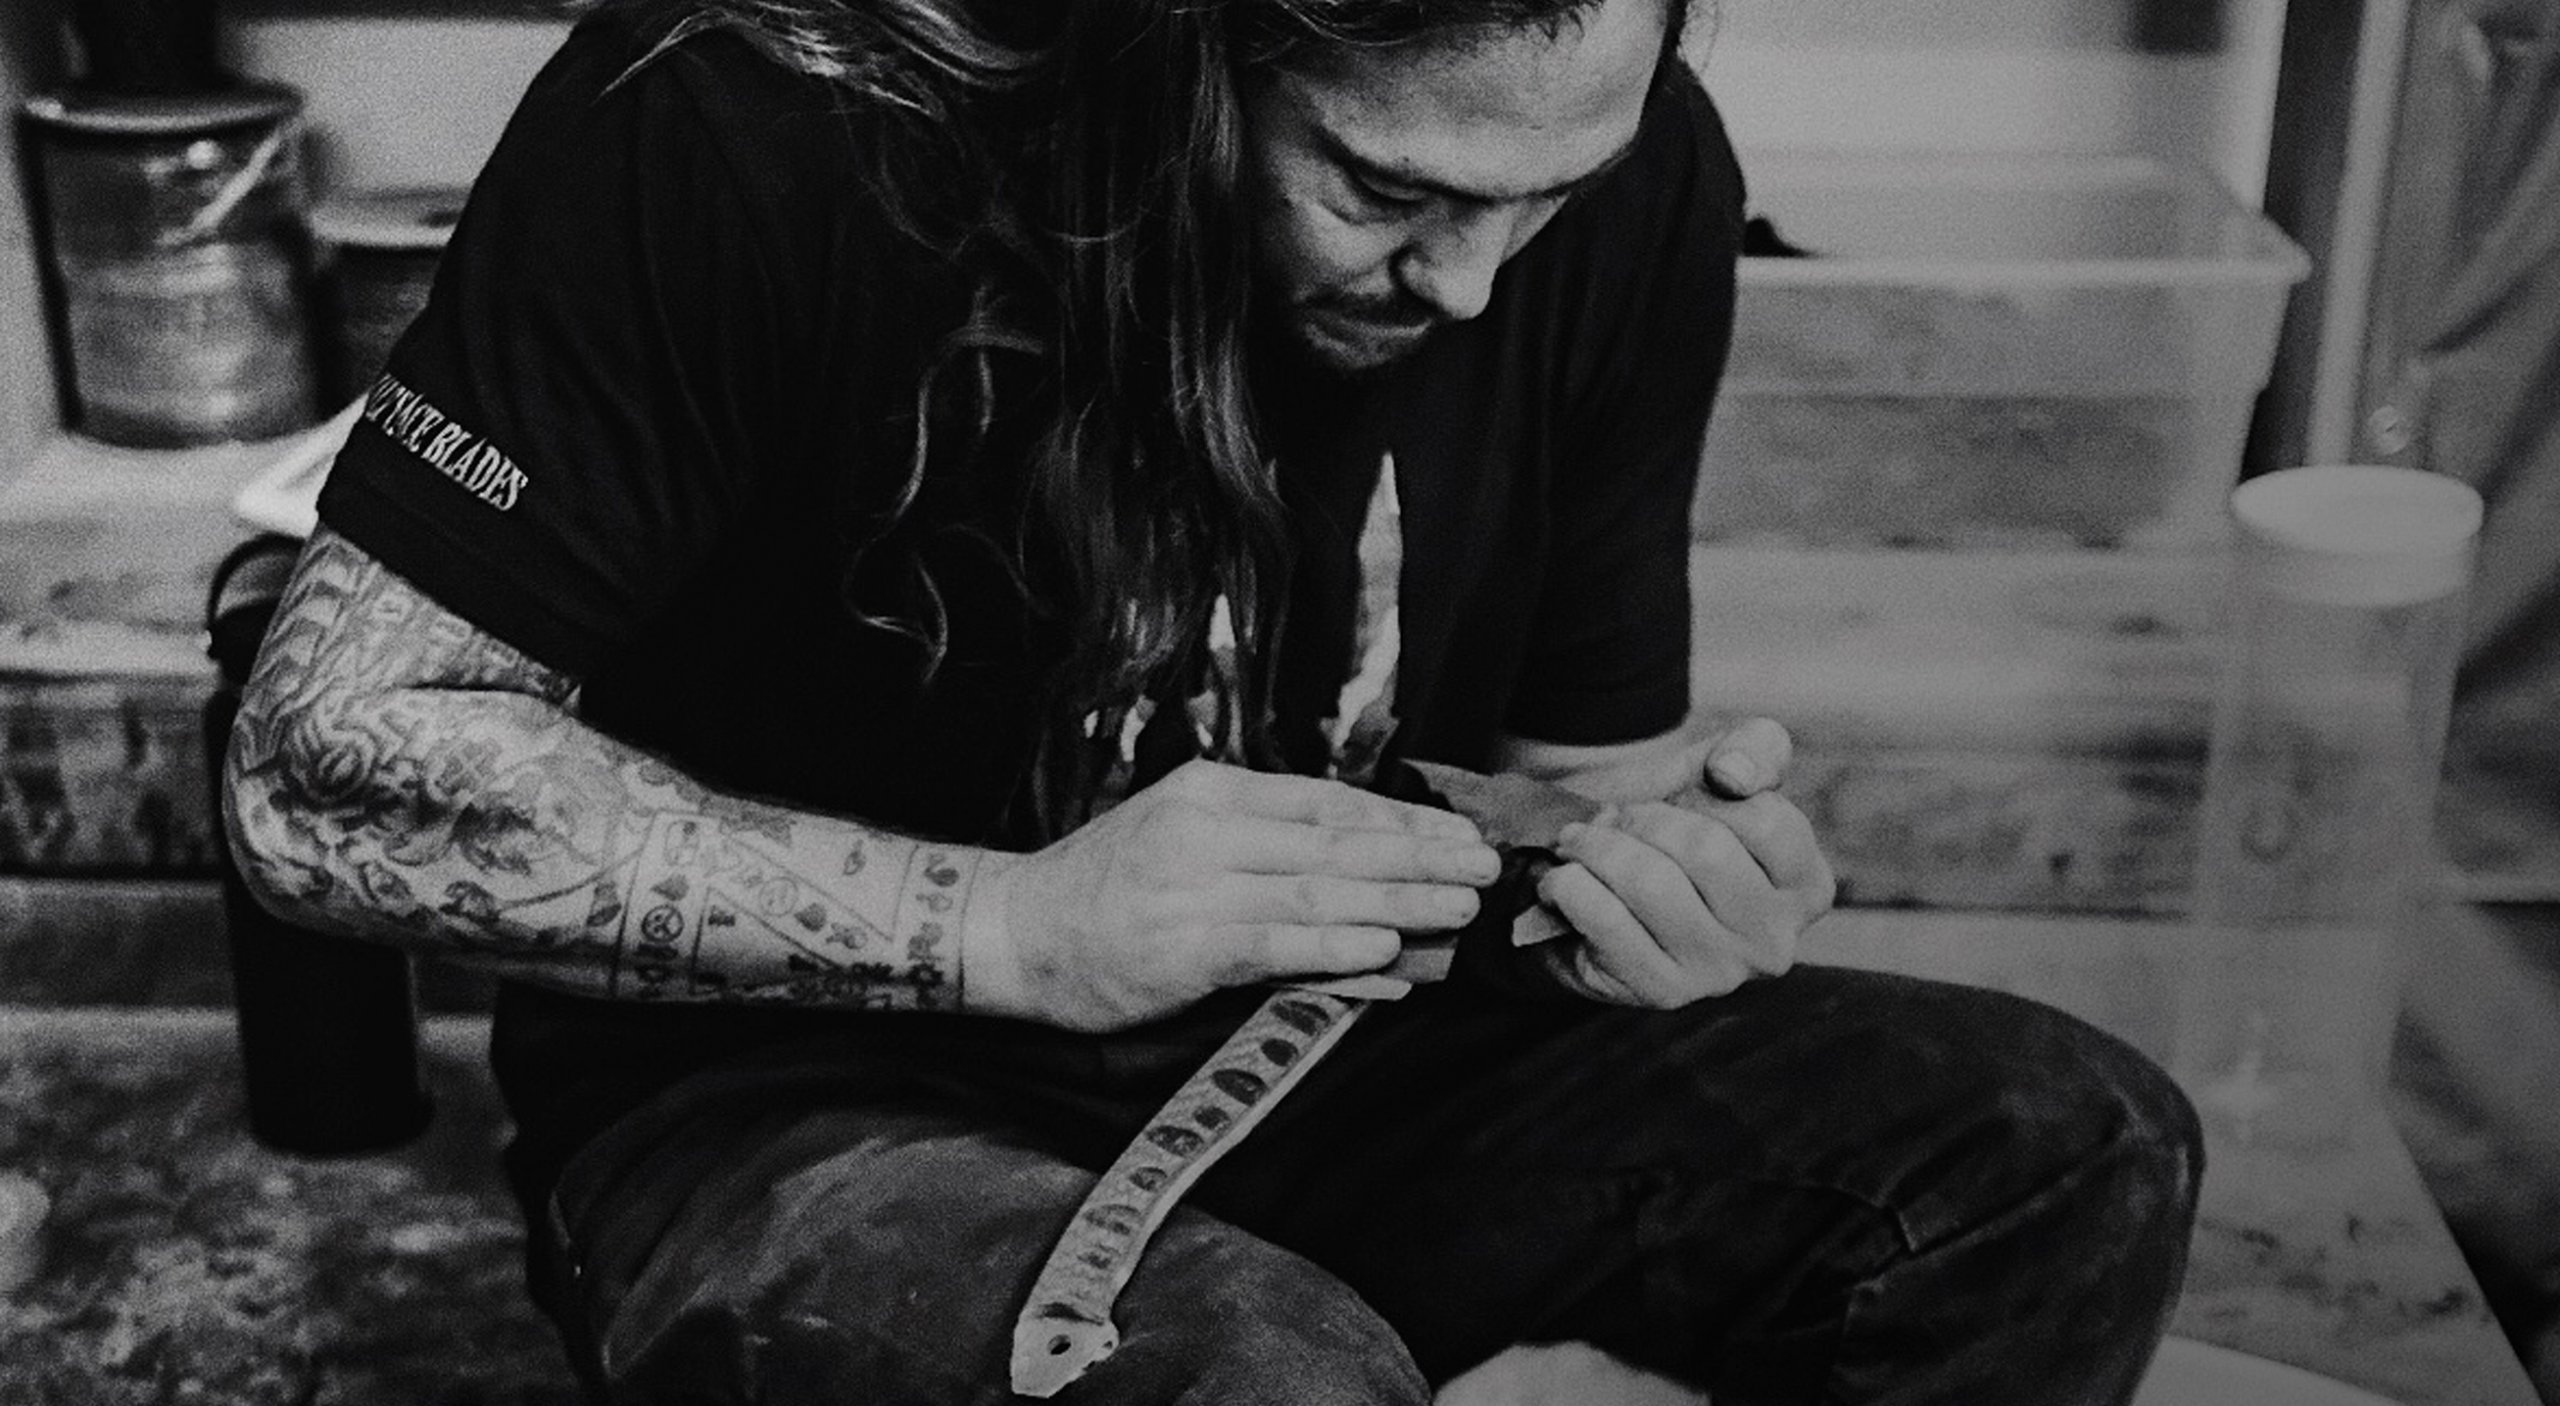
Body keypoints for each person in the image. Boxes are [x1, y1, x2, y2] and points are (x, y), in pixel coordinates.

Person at [220, 0, 2205, 1400]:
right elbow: (319, 771)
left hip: (1348, 1046)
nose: (1472, 290)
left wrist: (1657, 877)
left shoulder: (1607, 176)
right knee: (1257, 1377)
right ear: (1183, 41)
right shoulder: (742, 119)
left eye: (1543, 205)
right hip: (789, 1102)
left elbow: (1568, 778)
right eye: (1385, 186)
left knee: (2060, 1151)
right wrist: (1012, 923)